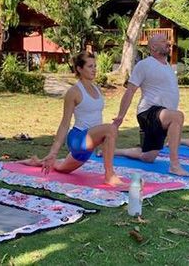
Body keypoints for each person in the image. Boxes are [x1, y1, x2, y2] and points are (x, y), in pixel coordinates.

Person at [19, 52, 125, 186]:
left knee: (62, 168)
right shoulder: (73, 92)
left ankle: (36, 161)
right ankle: (109, 175)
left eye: (95, 66)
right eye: (90, 66)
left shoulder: (97, 88)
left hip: (89, 145)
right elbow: (65, 123)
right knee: (111, 129)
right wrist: (53, 152)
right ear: (80, 69)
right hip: (77, 139)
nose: (94, 69)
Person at [112, 34, 189, 176]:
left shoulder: (168, 66)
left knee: (148, 157)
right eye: (163, 41)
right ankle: (174, 165)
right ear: (154, 47)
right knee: (177, 117)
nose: (168, 43)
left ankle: (116, 151)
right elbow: (130, 91)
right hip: (148, 112)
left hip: (162, 115)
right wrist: (120, 116)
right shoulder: (144, 65)